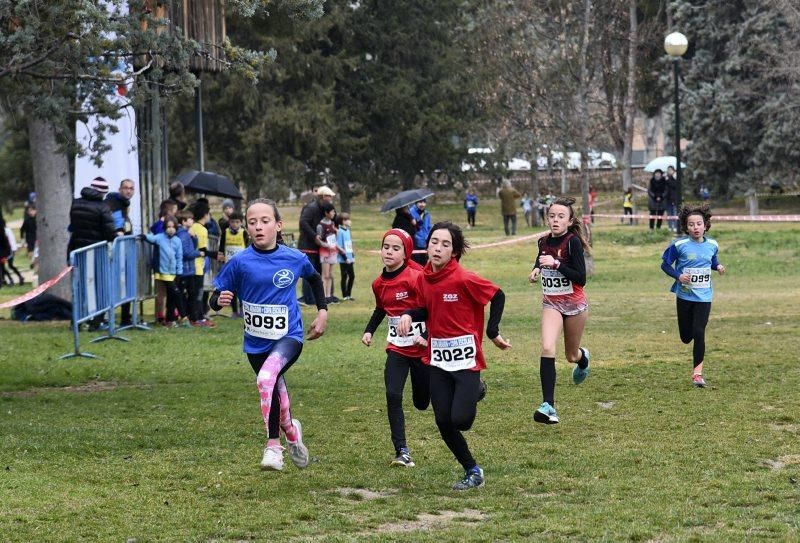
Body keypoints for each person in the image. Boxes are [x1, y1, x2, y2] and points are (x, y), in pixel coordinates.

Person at [209, 198, 328, 471]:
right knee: (274, 392)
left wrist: (322, 311)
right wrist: (219, 300)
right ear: (246, 228)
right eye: (253, 223)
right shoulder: (239, 262)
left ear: (278, 225)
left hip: (289, 337)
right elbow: (215, 298)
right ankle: (292, 434)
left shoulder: (294, 258)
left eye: (265, 221)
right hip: (255, 343)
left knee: (266, 379)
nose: (258, 227)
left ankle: (274, 447)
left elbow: (314, 278)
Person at [398, 221, 511, 490]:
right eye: (434, 242)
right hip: (437, 358)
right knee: (443, 421)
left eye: (445, 244)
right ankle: (473, 470)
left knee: (461, 420)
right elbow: (425, 309)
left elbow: (498, 295)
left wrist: (493, 332)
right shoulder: (423, 279)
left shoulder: (463, 278)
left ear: (454, 252)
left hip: (466, 360)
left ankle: (476, 389)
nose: (437, 248)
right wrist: (407, 315)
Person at [362, 228, 430, 467]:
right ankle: (402, 451)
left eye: (395, 248)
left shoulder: (416, 276)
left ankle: (471, 388)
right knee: (393, 394)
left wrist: (425, 333)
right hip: (397, 348)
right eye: (386, 247)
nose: (389, 252)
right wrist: (369, 330)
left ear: (406, 253)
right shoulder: (378, 283)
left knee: (422, 403)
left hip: (422, 348)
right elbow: (381, 308)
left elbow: (433, 308)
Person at [528, 197, 591, 425]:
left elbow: (581, 278)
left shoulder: (572, 242)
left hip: (574, 306)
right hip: (552, 303)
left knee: (570, 355)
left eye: (561, 216)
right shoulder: (543, 241)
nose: (556, 220)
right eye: (552, 216)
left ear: (569, 220)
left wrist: (556, 264)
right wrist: (536, 270)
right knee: (547, 347)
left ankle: (583, 359)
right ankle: (549, 406)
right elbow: (540, 258)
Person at [660, 204, 726, 388]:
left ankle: (697, 374)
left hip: (704, 297)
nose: (695, 227)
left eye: (699, 224)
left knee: (699, 331)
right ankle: (687, 339)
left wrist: (718, 266)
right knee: (686, 336)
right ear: (686, 227)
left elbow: (711, 261)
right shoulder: (679, 245)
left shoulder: (713, 245)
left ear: (705, 225)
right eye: (691, 224)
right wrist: (678, 276)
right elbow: (665, 265)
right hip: (684, 296)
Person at [142, 216, 184, 327]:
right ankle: (177, 315)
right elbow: (151, 238)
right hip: (162, 273)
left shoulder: (177, 241)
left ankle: (170, 318)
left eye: (173, 227)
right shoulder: (160, 238)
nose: (170, 229)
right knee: (167, 294)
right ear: (165, 228)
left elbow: (179, 257)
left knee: (172, 295)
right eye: (168, 227)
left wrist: (179, 272)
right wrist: (144, 236)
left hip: (173, 273)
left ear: (176, 228)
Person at [298, 186, 336, 305]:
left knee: (320, 274)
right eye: (329, 196)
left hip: (320, 248)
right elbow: (303, 223)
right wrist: (314, 236)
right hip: (308, 246)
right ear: (323, 197)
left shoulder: (324, 208)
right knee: (309, 272)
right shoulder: (311, 207)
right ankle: (308, 298)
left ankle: (323, 296)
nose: (331, 199)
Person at [106, 178, 135, 325]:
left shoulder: (124, 205)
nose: (128, 190)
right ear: (120, 189)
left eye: (131, 188)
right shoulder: (113, 203)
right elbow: (118, 228)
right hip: (115, 253)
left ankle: (126, 318)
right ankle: (106, 318)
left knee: (127, 285)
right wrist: (120, 232)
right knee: (113, 285)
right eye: (125, 188)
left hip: (125, 253)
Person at [67, 177, 117, 256]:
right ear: (102, 192)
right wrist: (116, 237)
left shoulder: (76, 203)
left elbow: (73, 225)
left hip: (77, 248)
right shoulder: (103, 207)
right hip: (97, 250)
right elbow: (109, 231)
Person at [176, 210, 204, 327]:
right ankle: (189, 317)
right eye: (190, 219)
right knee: (189, 295)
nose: (192, 221)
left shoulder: (187, 234)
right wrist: (199, 253)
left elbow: (193, 246)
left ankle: (190, 317)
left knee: (192, 294)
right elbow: (186, 253)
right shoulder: (182, 235)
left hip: (189, 270)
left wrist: (194, 237)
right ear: (183, 221)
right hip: (185, 271)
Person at [218, 211, 249, 316]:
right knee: (231, 289)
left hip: (241, 265)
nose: (234, 224)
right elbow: (221, 246)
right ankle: (234, 311)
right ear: (229, 222)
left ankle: (242, 309)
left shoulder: (244, 232)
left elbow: (248, 247)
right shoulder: (225, 232)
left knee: (242, 287)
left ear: (241, 222)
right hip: (229, 265)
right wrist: (221, 255)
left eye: (237, 222)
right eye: (232, 222)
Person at [316, 202, 338, 304]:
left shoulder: (333, 224)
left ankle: (329, 296)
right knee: (324, 275)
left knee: (330, 274)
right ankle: (323, 296)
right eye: (332, 211)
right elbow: (318, 240)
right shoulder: (320, 226)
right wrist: (325, 245)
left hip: (333, 252)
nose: (334, 213)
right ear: (326, 212)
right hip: (324, 253)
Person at [336, 212, 355, 301]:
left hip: (350, 258)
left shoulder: (348, 230)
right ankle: (344, 296)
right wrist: (345, 258)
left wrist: (352, 256)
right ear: (343, 221)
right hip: (344, 259)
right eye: (348, 220)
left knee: (352, 276)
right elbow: (339, 246)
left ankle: (348, 294)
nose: (350, 221)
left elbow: (349, 245)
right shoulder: (340, 231)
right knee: (344, 276)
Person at [409, 199, 431, 266]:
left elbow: (428, 226)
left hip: (425, 242)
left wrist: (429, 236)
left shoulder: (426, 213)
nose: (422, 204)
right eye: (420, 202)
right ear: (416, 203)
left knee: (424, 263)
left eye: (424, 202)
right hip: (415, 242)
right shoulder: (410, 212)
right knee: (416, 263)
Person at [3, 220, 24, 286]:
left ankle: (19, 277)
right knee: (2, 267)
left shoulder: (6, 230)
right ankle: (8, 279)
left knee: (10, 265)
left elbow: (11, 240)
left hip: (9, 250)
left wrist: (13, 249)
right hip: (4, 251)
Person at [665, 166, 678, 232]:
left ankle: (675, 226)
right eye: (668, 170)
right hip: (668, 199)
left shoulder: (675, 177)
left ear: (673, 171)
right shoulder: (666, 178)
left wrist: (669, 179)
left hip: (675, 198)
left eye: (670, 170)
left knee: (675, 213)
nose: (669, 171)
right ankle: (670, 227)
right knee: (669, 213)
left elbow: (674, 185)